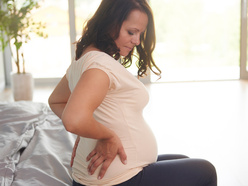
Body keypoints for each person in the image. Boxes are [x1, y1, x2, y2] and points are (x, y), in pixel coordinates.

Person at [48, 0, 217, 185]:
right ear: (110, 22)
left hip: (101, 177)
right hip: (115, 180)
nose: (137, 41)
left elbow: (56, 101)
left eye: (140, 34)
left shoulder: (85, 59)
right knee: (205, 171)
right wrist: (108, 136)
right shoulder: (99, 65)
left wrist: (88, 131)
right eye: (131, 32)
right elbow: (73, 119)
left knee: (182, 158)